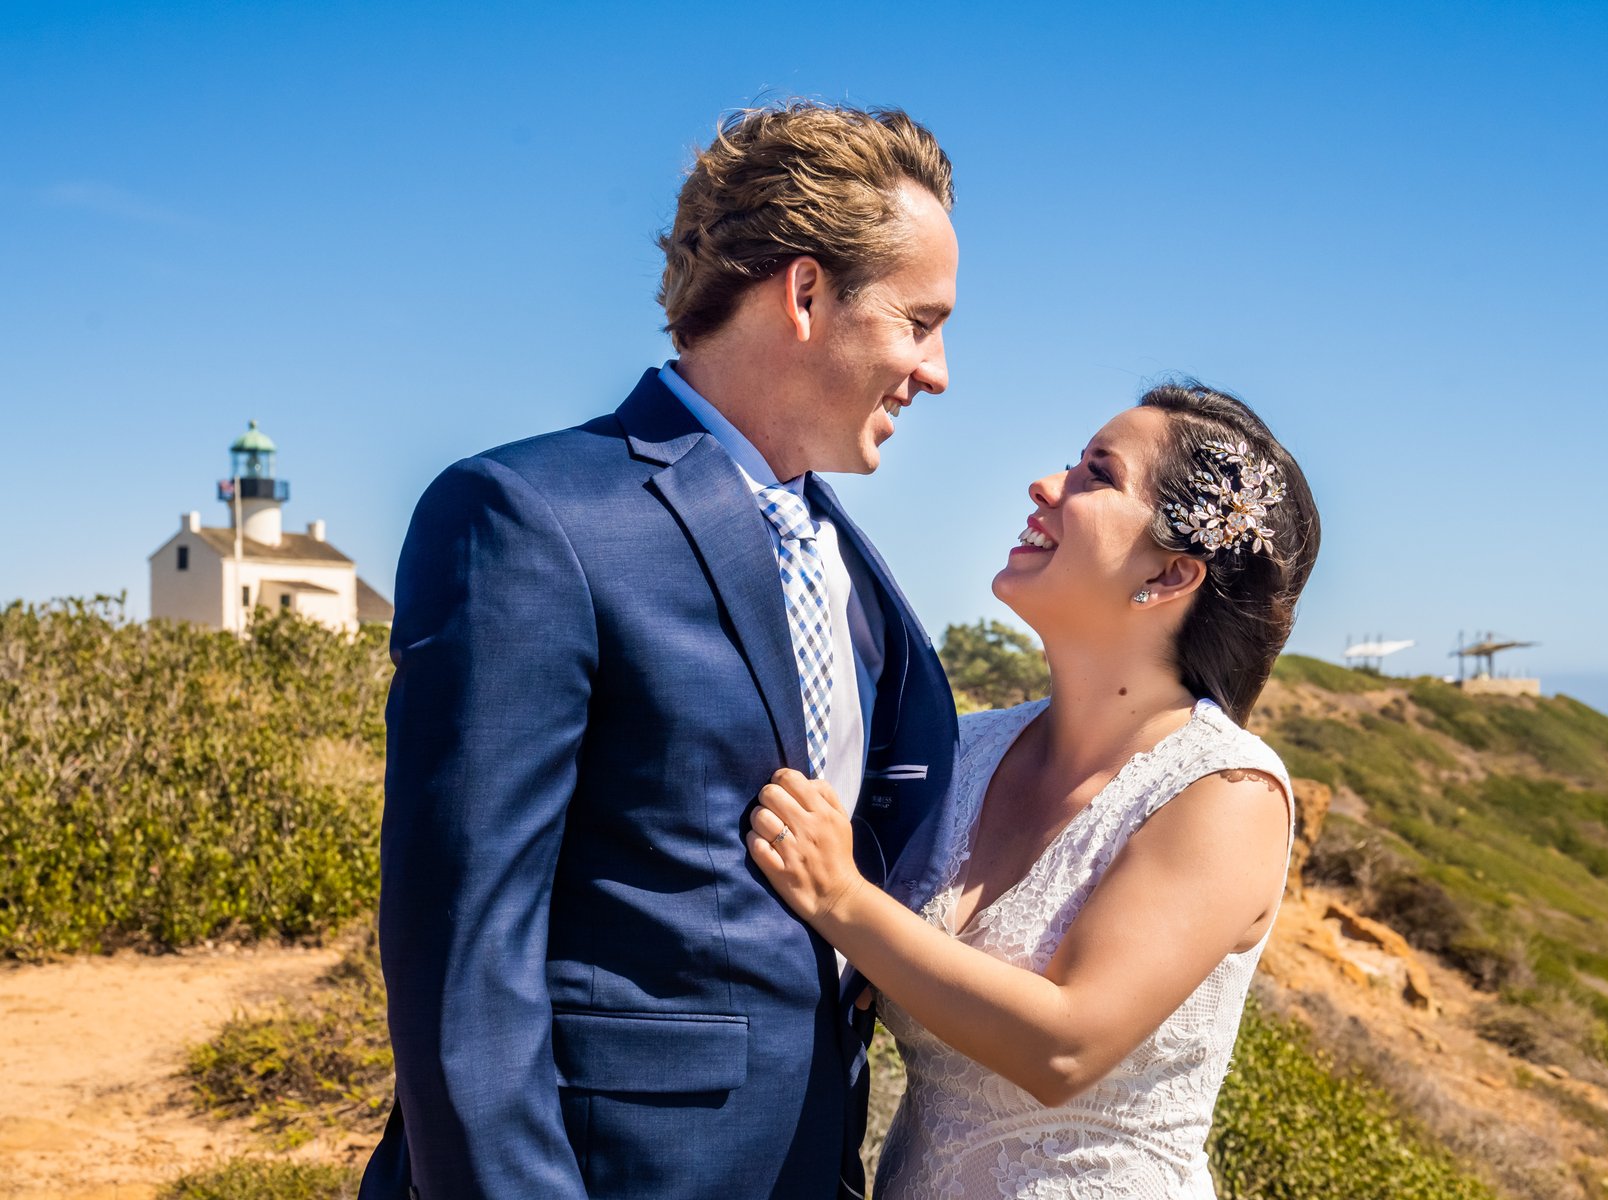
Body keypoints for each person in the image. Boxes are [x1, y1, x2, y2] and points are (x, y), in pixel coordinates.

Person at [360, 102, 962, 1200]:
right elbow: (462, 962)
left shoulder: (851, 569)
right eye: (920, 322)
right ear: (806, 293)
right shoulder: (529, 517)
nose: (938, 370)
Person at [750, 381, 1321, 1198]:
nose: (1046, 486)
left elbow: (1066, 1048)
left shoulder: (1225, 790)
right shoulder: (963, 749)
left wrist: (842, 898)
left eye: (1097, 475)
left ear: (1169, 575)